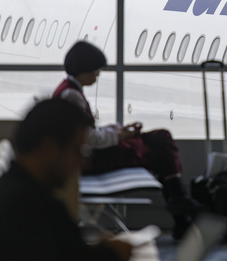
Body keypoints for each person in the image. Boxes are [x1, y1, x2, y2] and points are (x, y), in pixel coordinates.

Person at [55, 41, 205, 240]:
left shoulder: (69, 91)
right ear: (83, 69)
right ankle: (180, 205)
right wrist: (119, 136)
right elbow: (86, 138)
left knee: (161, 139)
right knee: (159, 148)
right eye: (95, 70)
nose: (98, 74)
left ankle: (180, 209)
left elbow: (86, 132)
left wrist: (119, 130)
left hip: (94, 155)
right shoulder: (71, 96)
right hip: (92, 161)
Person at [0, 99, 134, 261]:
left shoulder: (15, 196)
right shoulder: (28, 210)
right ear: (48, 147)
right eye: (77, 151)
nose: (83, 163)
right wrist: (112, 256)